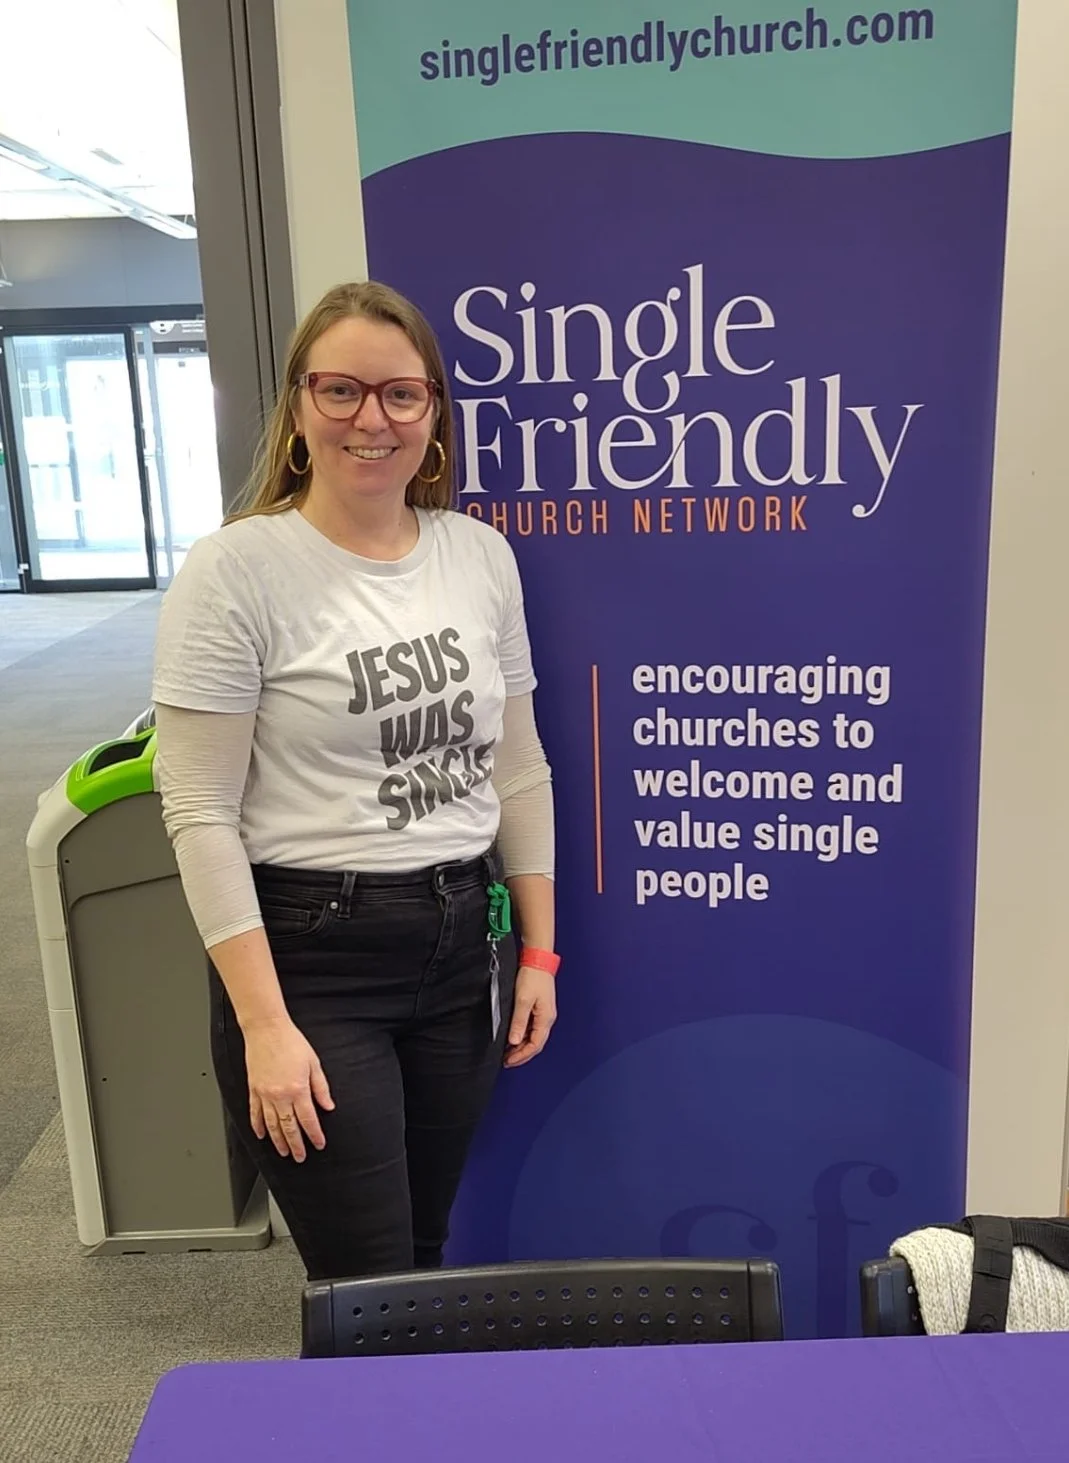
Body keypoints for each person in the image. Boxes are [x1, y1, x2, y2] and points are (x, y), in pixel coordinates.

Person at [152, 280, 557, 1282]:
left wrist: (539, 953)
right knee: (364, 1283)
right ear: (298, 408)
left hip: (463, 938)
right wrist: (263, 1022)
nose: (370, 418)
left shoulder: (479, 556)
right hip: (312, 959)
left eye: (399, 394)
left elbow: (519, 763)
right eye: (340, 390)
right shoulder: (237, 569)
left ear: (433, 413)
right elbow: (197, 812)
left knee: (422, 1252)